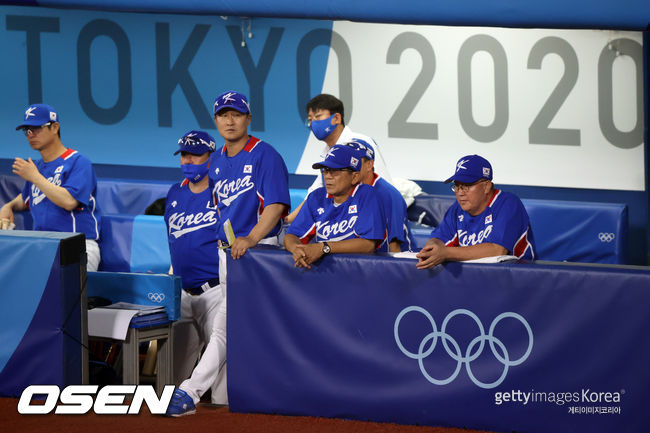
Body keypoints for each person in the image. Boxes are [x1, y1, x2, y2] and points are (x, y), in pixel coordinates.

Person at [166, 91, 290, 416]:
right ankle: (228, 397)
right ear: (216, 120)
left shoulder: (266, 155)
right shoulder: (217, 160)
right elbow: (222, 209)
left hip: (257, 253)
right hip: (228, 254)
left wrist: (251, 238)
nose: (230, 120)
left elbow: (275, 206)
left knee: (226, 326)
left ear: (248, 118)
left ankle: (189, 393)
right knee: (237, 330)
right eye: (223, 114)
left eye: (236, 114)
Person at [164, 130, 227, 410]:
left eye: (195, 155)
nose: (188, 161)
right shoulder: (175, 193)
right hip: (183, 292)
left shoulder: (223, 190)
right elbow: (175, 240)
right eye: (184, 155)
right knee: (172, 380)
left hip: (216, 291)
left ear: (210, 158)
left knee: (223, 388)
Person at [0, 103, 101, 271]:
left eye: (36, 128)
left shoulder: (78, 162)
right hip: (42, 246)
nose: (30, 135)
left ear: (55, 127)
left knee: (63, 295)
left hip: (76, 245)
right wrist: (8, 206)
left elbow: (69, 201)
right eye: (27, 130)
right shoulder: (38, 167)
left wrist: (34, 177)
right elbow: (26, 199)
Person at [416, 154, 536, 269]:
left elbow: (497, 250)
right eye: (457, 186)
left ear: (486, 186)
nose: (460, 192)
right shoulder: (457, 208)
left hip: (516, 278)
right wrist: (432, 249)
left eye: (466, 186)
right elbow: (438, 238)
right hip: (475, 277)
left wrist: (445, 253)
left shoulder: (508, 203)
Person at [285, 93, 392, 223]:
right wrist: (288, 220)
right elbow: (314, 194)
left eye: (318, 117)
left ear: (336, 118)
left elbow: (380, 185)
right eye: (310, 119)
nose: (313, 123)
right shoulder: (328, 152)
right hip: (344, 219)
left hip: (371, 218)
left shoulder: (360, 144)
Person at [284, 144, 386, 268]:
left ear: (354, 177)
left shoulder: (367, 195)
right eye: (325, 170)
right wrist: (297, 250)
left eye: (335, 171)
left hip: (361, 274)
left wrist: (324, 248)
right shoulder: (316, 198)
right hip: (326, 274)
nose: (327, 176)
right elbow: (291, 235)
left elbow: (368, 245)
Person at [343, 139, 412, 252]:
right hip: (358, 258)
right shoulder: (346, 189)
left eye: (356, 160)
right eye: (347, 160)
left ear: (369, 165)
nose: (351, 164)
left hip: (386, 261)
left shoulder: (388, 195)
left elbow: (394, 246)